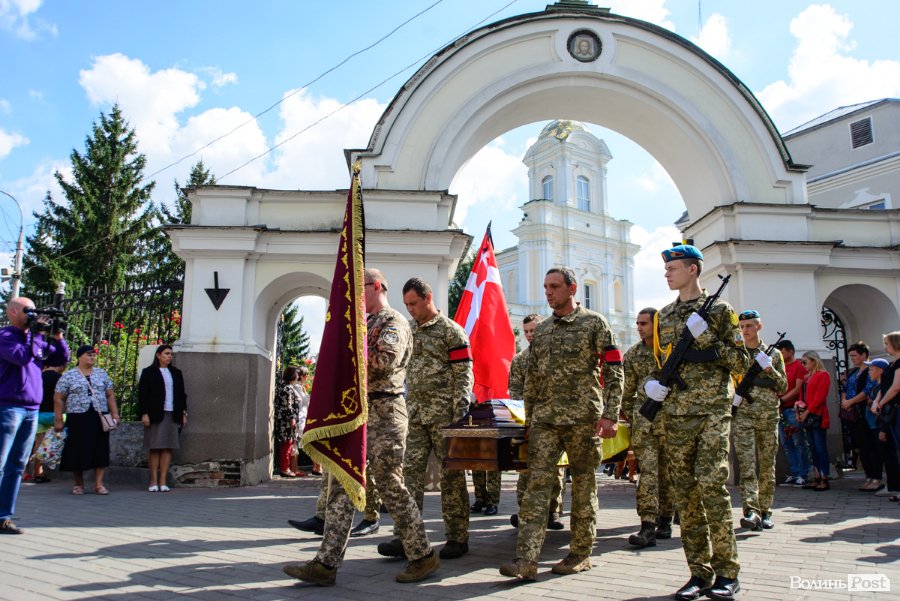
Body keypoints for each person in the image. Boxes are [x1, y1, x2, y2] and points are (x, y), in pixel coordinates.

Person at [284, 268, 438, 585]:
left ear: (377, 286)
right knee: (342, 484)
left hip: (385, 413)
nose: (354, 296)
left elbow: (383, 362)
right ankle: (326, 563)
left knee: (390, 485)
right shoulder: (363, 324)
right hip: (358, 413)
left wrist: (346, 353)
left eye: (359, 288)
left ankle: (422, 555)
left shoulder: (393, 322)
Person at [499, 266, 623, 581]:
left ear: (572, 289)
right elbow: (532, 378)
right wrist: (528, 418)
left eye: (554, 286)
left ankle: (580, 554)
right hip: (545, 421)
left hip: (583, 420)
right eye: (545, 287)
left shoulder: (594, 323)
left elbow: (614, 369)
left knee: (583, 485)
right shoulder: (542, 331)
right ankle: (526, 560)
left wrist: (610, 413)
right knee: (536, 486)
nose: (548, 292)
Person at [642, 245, 747, 601]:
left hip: (712, 411)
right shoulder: (665, 315)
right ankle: (699, 572)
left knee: (712, 486)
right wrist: (652, 385)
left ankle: (727, 572)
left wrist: (706, 337)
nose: (666, 273)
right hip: (676, 414)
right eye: (666, 268)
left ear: (692, 270)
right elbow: (661, 362)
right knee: (685, 494)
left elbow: (740, 361)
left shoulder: (720, 311)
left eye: (673, 268)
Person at [382, 276, 473, 561]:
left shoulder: (451, 332)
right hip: (415, 416)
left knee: (452, 478)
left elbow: (463, 376)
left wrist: (459, 417)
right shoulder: (407, 330)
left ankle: (457, 537)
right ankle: (405, 538)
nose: (410, 309)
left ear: (428, 298)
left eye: (414, 303)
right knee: (408, 476)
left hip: (445, 418)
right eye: (406, 304)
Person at [0, 297, 69, 534]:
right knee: (1, 463)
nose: (33, 316)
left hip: (31, 409)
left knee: (17, 465)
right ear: (12, 312)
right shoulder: (6, 336)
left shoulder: (34, 339)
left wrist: (57, 336)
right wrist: (37, 335)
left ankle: (3, 517)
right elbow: (21, 357)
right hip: (8, 407)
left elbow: (60, 359)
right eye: (28, 311)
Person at [622, 307, 675, 548]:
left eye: (644, 323)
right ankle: (647, 525)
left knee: (668, 474)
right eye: (638, 323)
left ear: (656, 324)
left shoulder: (670, 350)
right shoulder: (633, 354)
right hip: (645, 424)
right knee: (648, 474)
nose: (639, 327)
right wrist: (635, 417)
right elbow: (627, 392)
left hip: (671, 422)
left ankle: (666, 519)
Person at [508, 314, 565, 531]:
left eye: (533, 330)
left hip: (554, 419)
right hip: (530, 421)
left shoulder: (556, 355)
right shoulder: (520, 360)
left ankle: (552, 512)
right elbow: (515, 391)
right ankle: (525, 512)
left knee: (556, 469)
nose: (530, 335)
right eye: (527, 331)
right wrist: (524, 418)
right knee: (526, 468)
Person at [732, 310, 787, 531]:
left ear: (759, 327)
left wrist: (769, 369)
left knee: (766, 465)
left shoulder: (773, 354)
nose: (745, 330)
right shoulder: (737, 354)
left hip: (768, 415)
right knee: (746, 465)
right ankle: (750, 511)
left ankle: (765, 511)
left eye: (749, 326)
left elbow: (783, 386)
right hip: (743, 415)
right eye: (742, 326)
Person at [54, 345, 118, 496]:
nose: (92, 357)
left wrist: (115, 413)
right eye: (88, 354)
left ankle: (99, 484)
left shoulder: (101, 374)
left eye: (93, 355)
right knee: (76, 449)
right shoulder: (69, 375)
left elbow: (110, 394)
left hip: (99, 416)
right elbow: (58, 398)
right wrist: (58, 418)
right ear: (79, 357)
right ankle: (79, 484)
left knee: (100, 448)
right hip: (77, 417)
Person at [137, 344, 188, 492]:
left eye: (171, 354)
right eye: (166, 353)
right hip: (155, 414)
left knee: (167, 446)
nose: (169, 356)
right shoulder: (149, 372)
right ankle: (153, 481)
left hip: (172, 413)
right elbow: (142, 395)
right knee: (154, 446)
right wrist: (144, 413)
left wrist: (183, 413)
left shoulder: (176, 373)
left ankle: (163, 480)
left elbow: (182, 395)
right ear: (158, 355)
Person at [841, 343, 882, 491]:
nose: (852, 358)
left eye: (854, 355)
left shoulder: (869, 371)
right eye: (850, 356)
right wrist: (844, 400)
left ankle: (876, 478)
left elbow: (867, 391)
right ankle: (869, 476)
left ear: (864, 355)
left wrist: (851, 401)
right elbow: (845, 388)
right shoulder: (854, 372)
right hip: (852, 414)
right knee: (861, 447)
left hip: (863, 412)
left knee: (870, 446)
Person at [774, 340, 811, 487]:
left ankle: (803, 473)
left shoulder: (799, 367)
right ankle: (794, 472)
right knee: (786, 443)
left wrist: (782, 400)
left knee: (798, 442)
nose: (780, 355)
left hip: (791, 409)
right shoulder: (779, 367)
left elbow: (797, 388)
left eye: (782, 352)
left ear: (791, 351)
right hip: (780, 410)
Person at [795, 350, 831, 491]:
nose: (803, 364)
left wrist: (807, 412)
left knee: (820, 447)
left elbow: (819, 397)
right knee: (812, 448)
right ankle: (816, 476)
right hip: (807, 415)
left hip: (817, 415)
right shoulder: (806, 377)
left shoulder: (823, 375)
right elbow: (801, 396)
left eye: (805, 362)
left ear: (814, 361)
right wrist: (799, 411)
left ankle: (824, 477)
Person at [27, 360, 67, 483]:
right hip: (56, 415)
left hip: (39, 414)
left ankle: (37, 473)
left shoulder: (38, 376)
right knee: (62, 437)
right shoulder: (61, 378)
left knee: (39, 444)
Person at [872, 332, 900, 499]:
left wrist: (881, 403)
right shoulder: (892, 364)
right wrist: (877, 400)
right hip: (892, 410)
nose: (885, 347)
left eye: (887, 343)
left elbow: (896, 387)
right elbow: (885, 387)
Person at [274, 366, 303, 478]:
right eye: (296, 374)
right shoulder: (287, 388)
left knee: (288, 444)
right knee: (287, 444)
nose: (298, 376)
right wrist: (292, 418)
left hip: (286, 420)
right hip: (286, 421)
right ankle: (285, 469)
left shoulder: (286, 387)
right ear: (292, 375)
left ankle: (287, 468)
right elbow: (288, 405)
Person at [289, 365, 310, 475]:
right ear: (301, 376)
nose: (308, 377)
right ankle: (294, 468)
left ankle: (295, 468)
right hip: (299, 417)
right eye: (306, 375)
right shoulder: (297, 387)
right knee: (295, 443)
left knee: (297, 443)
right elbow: (302, 401)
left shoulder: (301, 387)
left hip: (303, 416)